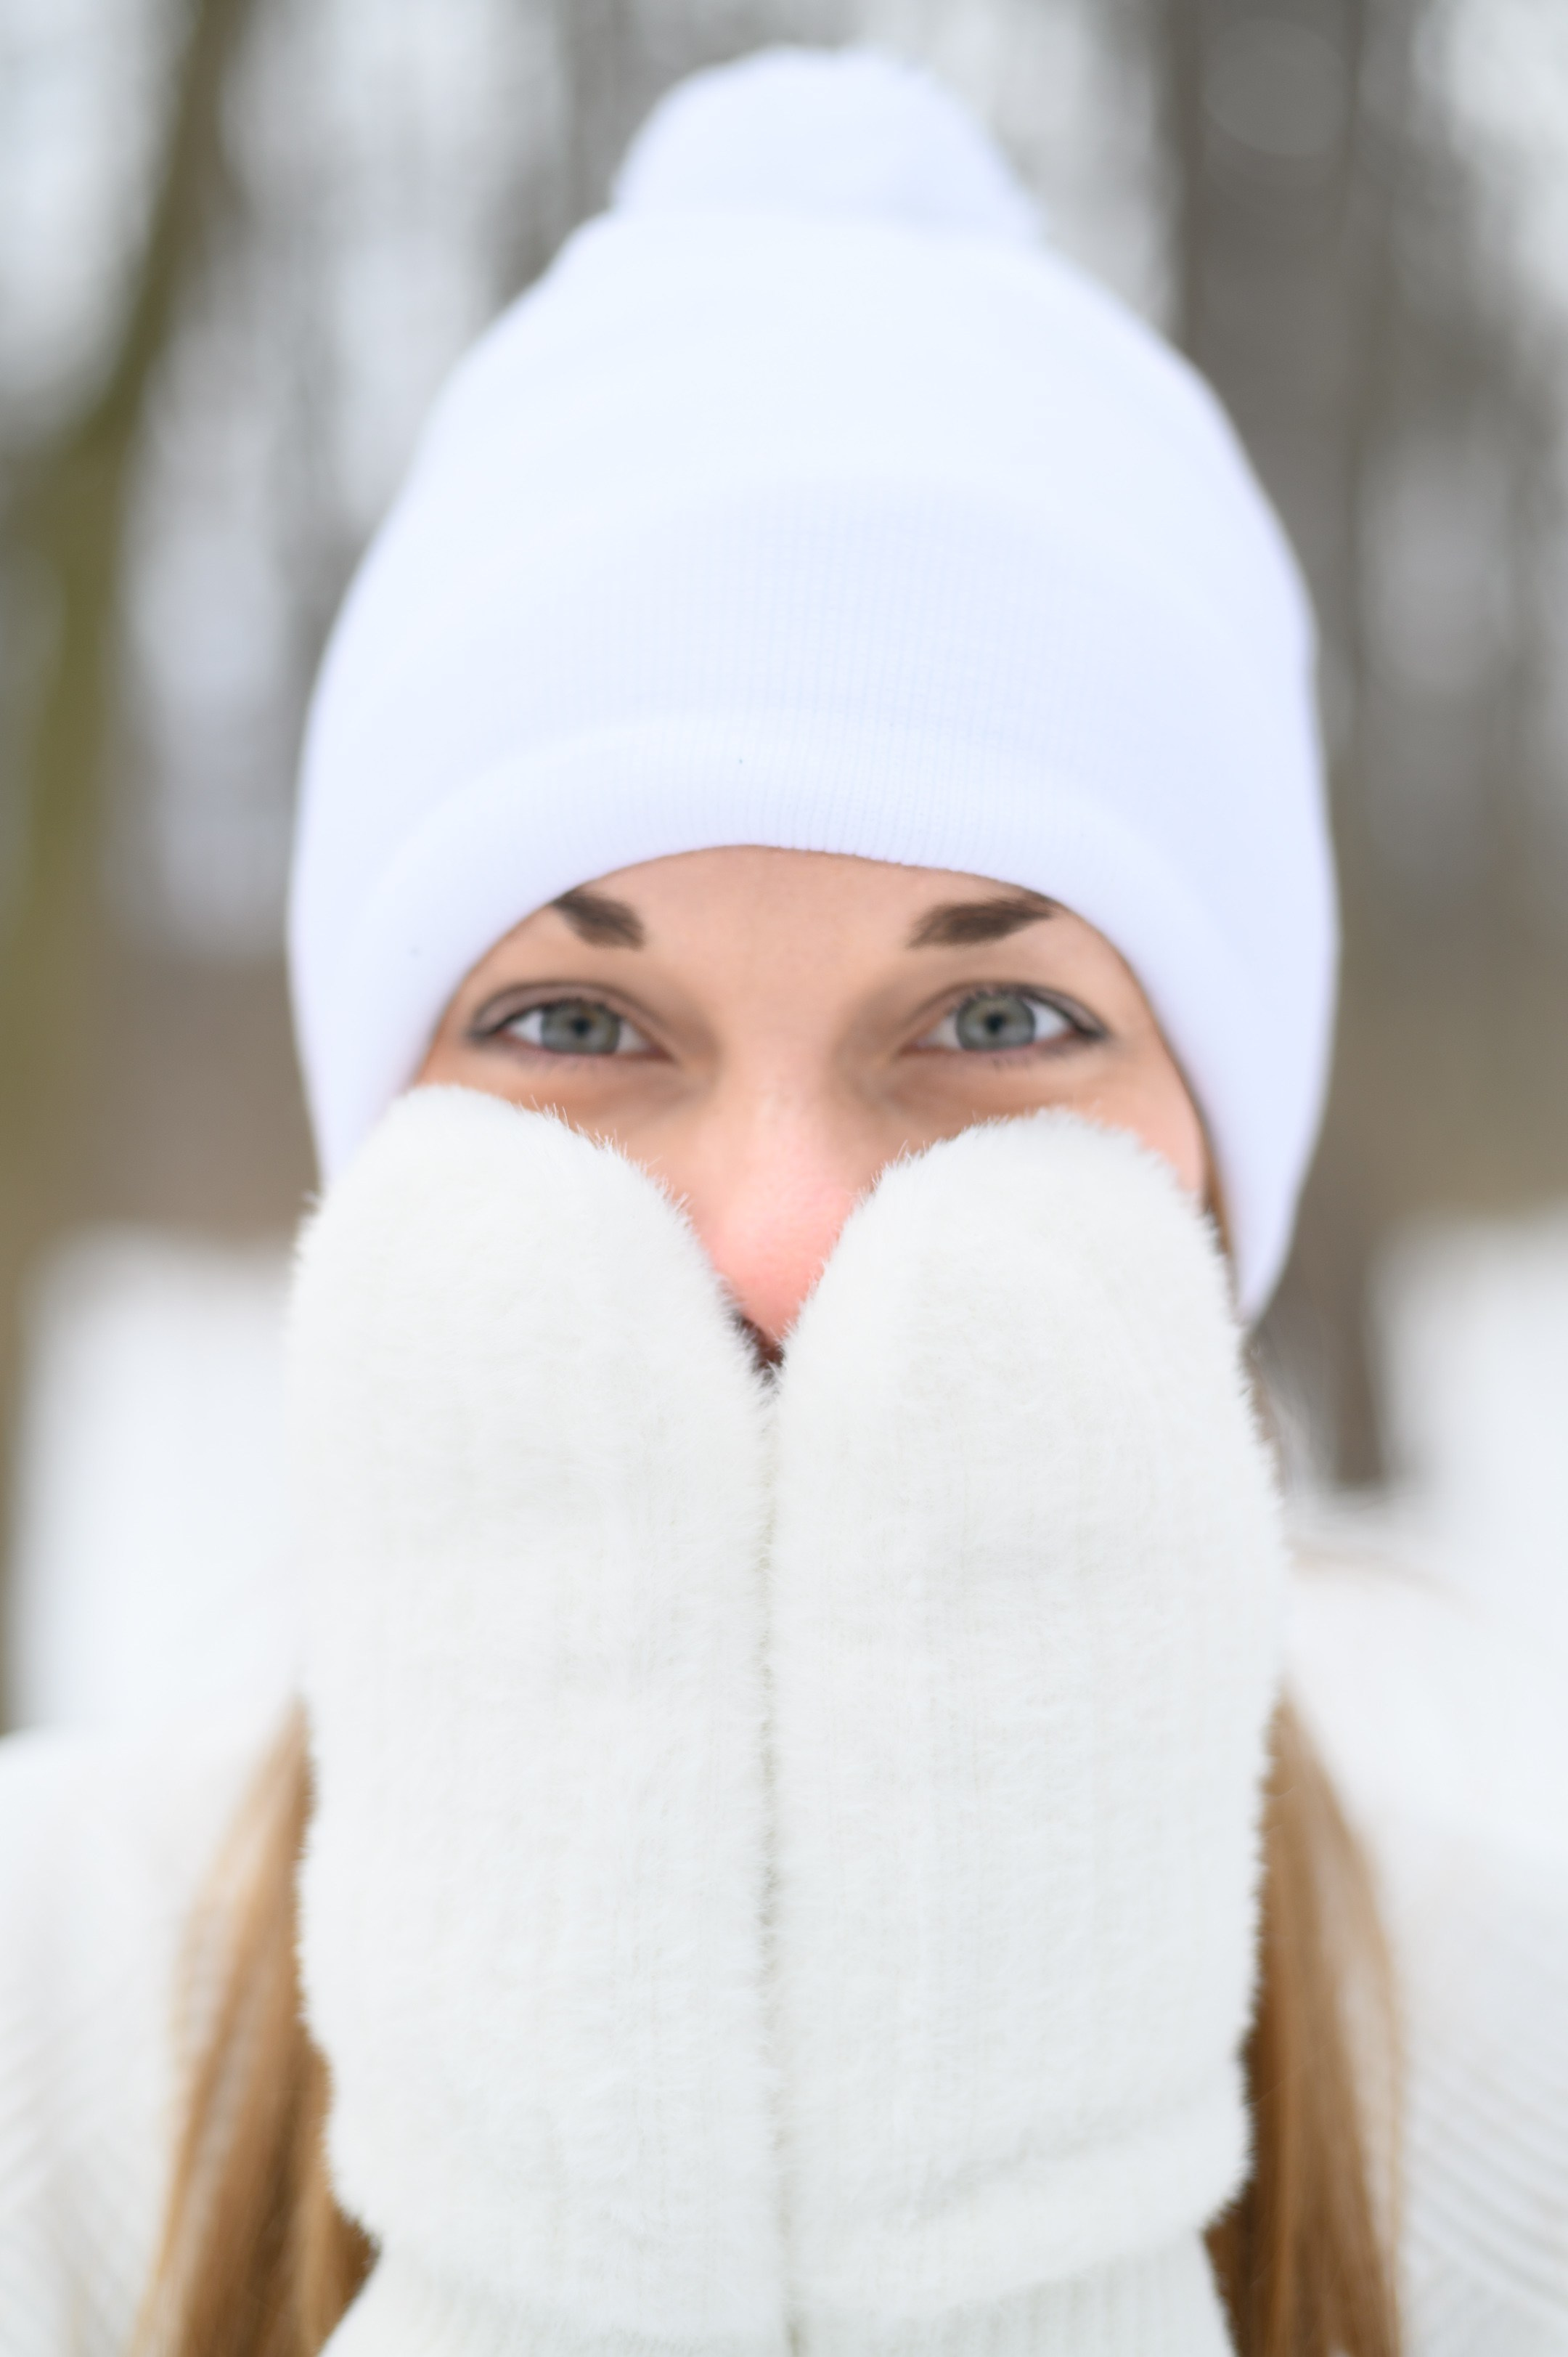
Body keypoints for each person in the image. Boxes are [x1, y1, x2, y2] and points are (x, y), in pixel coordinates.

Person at [2, 47, 1565, 2357]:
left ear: (1230, 1158)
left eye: (998, 1020)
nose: (781, 1240)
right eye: (576, 1021)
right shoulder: (41, 2035)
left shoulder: (1526, 2089)